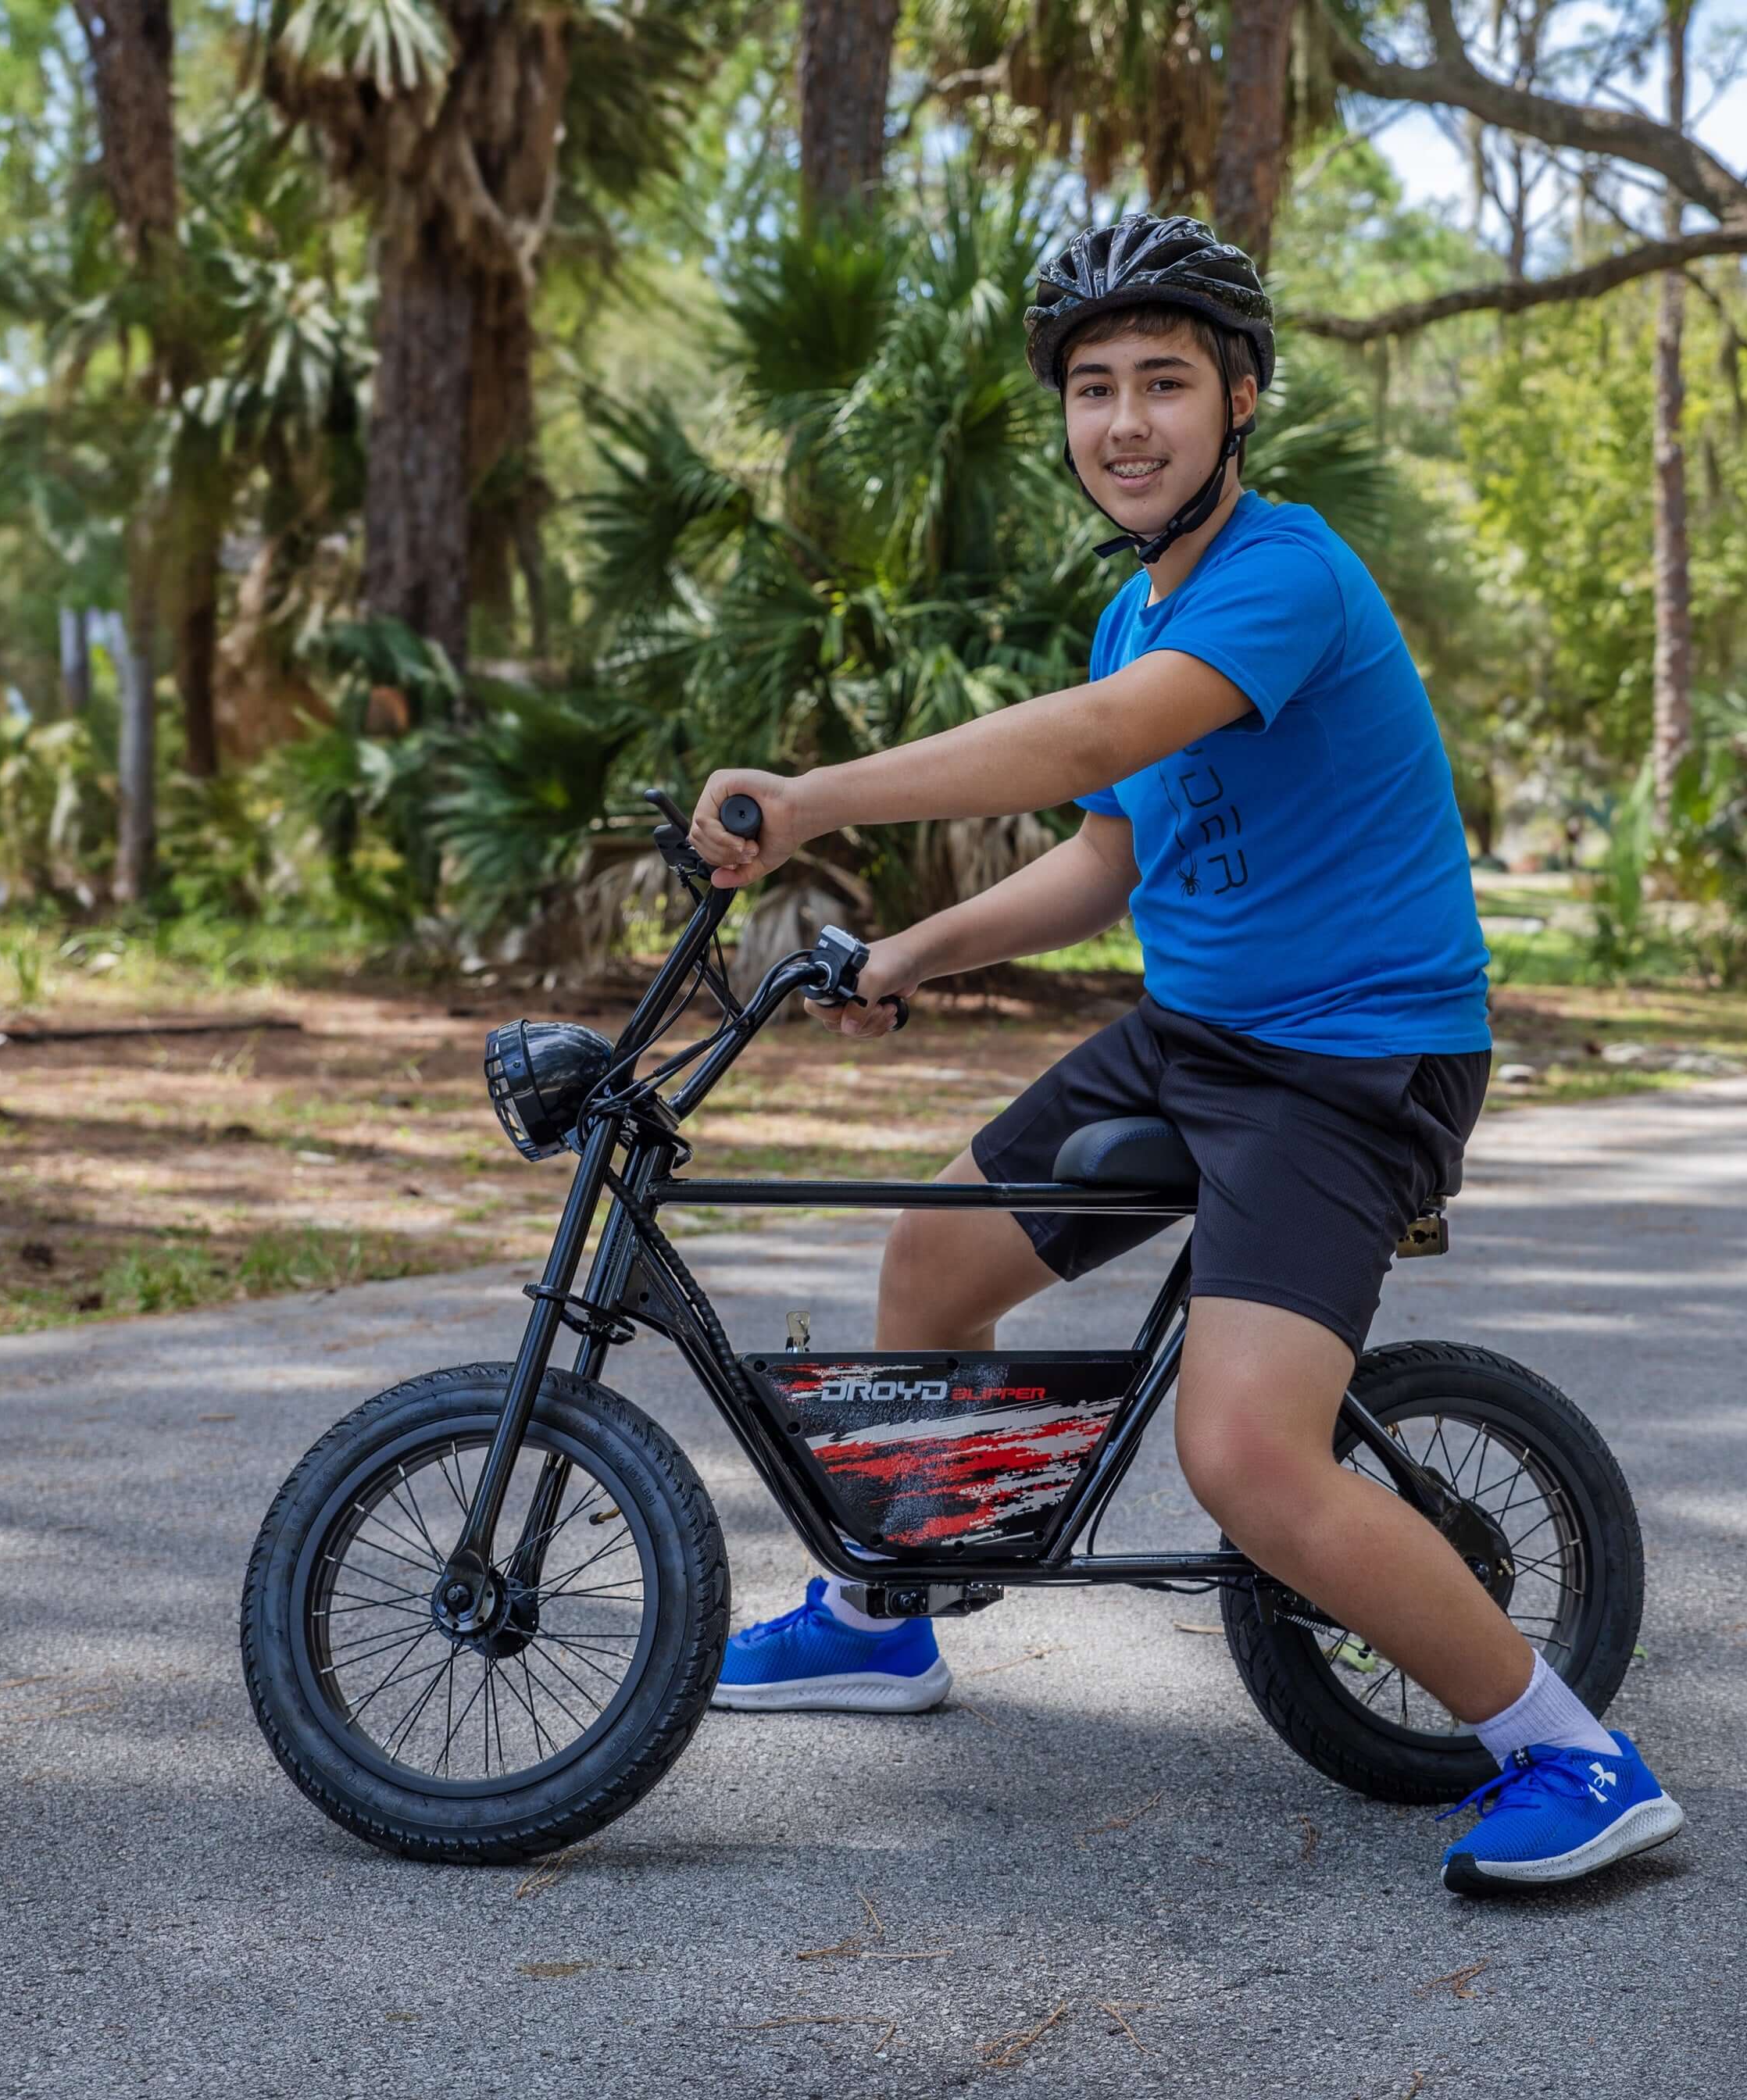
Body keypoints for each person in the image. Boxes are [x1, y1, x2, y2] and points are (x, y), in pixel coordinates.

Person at [685, 213, 1681, 1893]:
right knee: (933, 1257)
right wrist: (909, 951)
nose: (1125, 421)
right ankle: (886, 1610)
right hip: (1192, 1037)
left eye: (1164, 381)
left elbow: (1098, 735)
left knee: (1242, 1457)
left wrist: (813, 801)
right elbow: (1108, 859)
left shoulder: (1284, 576)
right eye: (1094, 388)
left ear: (1239, 401)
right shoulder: (1130, 608)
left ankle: (1572, 1755)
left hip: (1350, 1065)